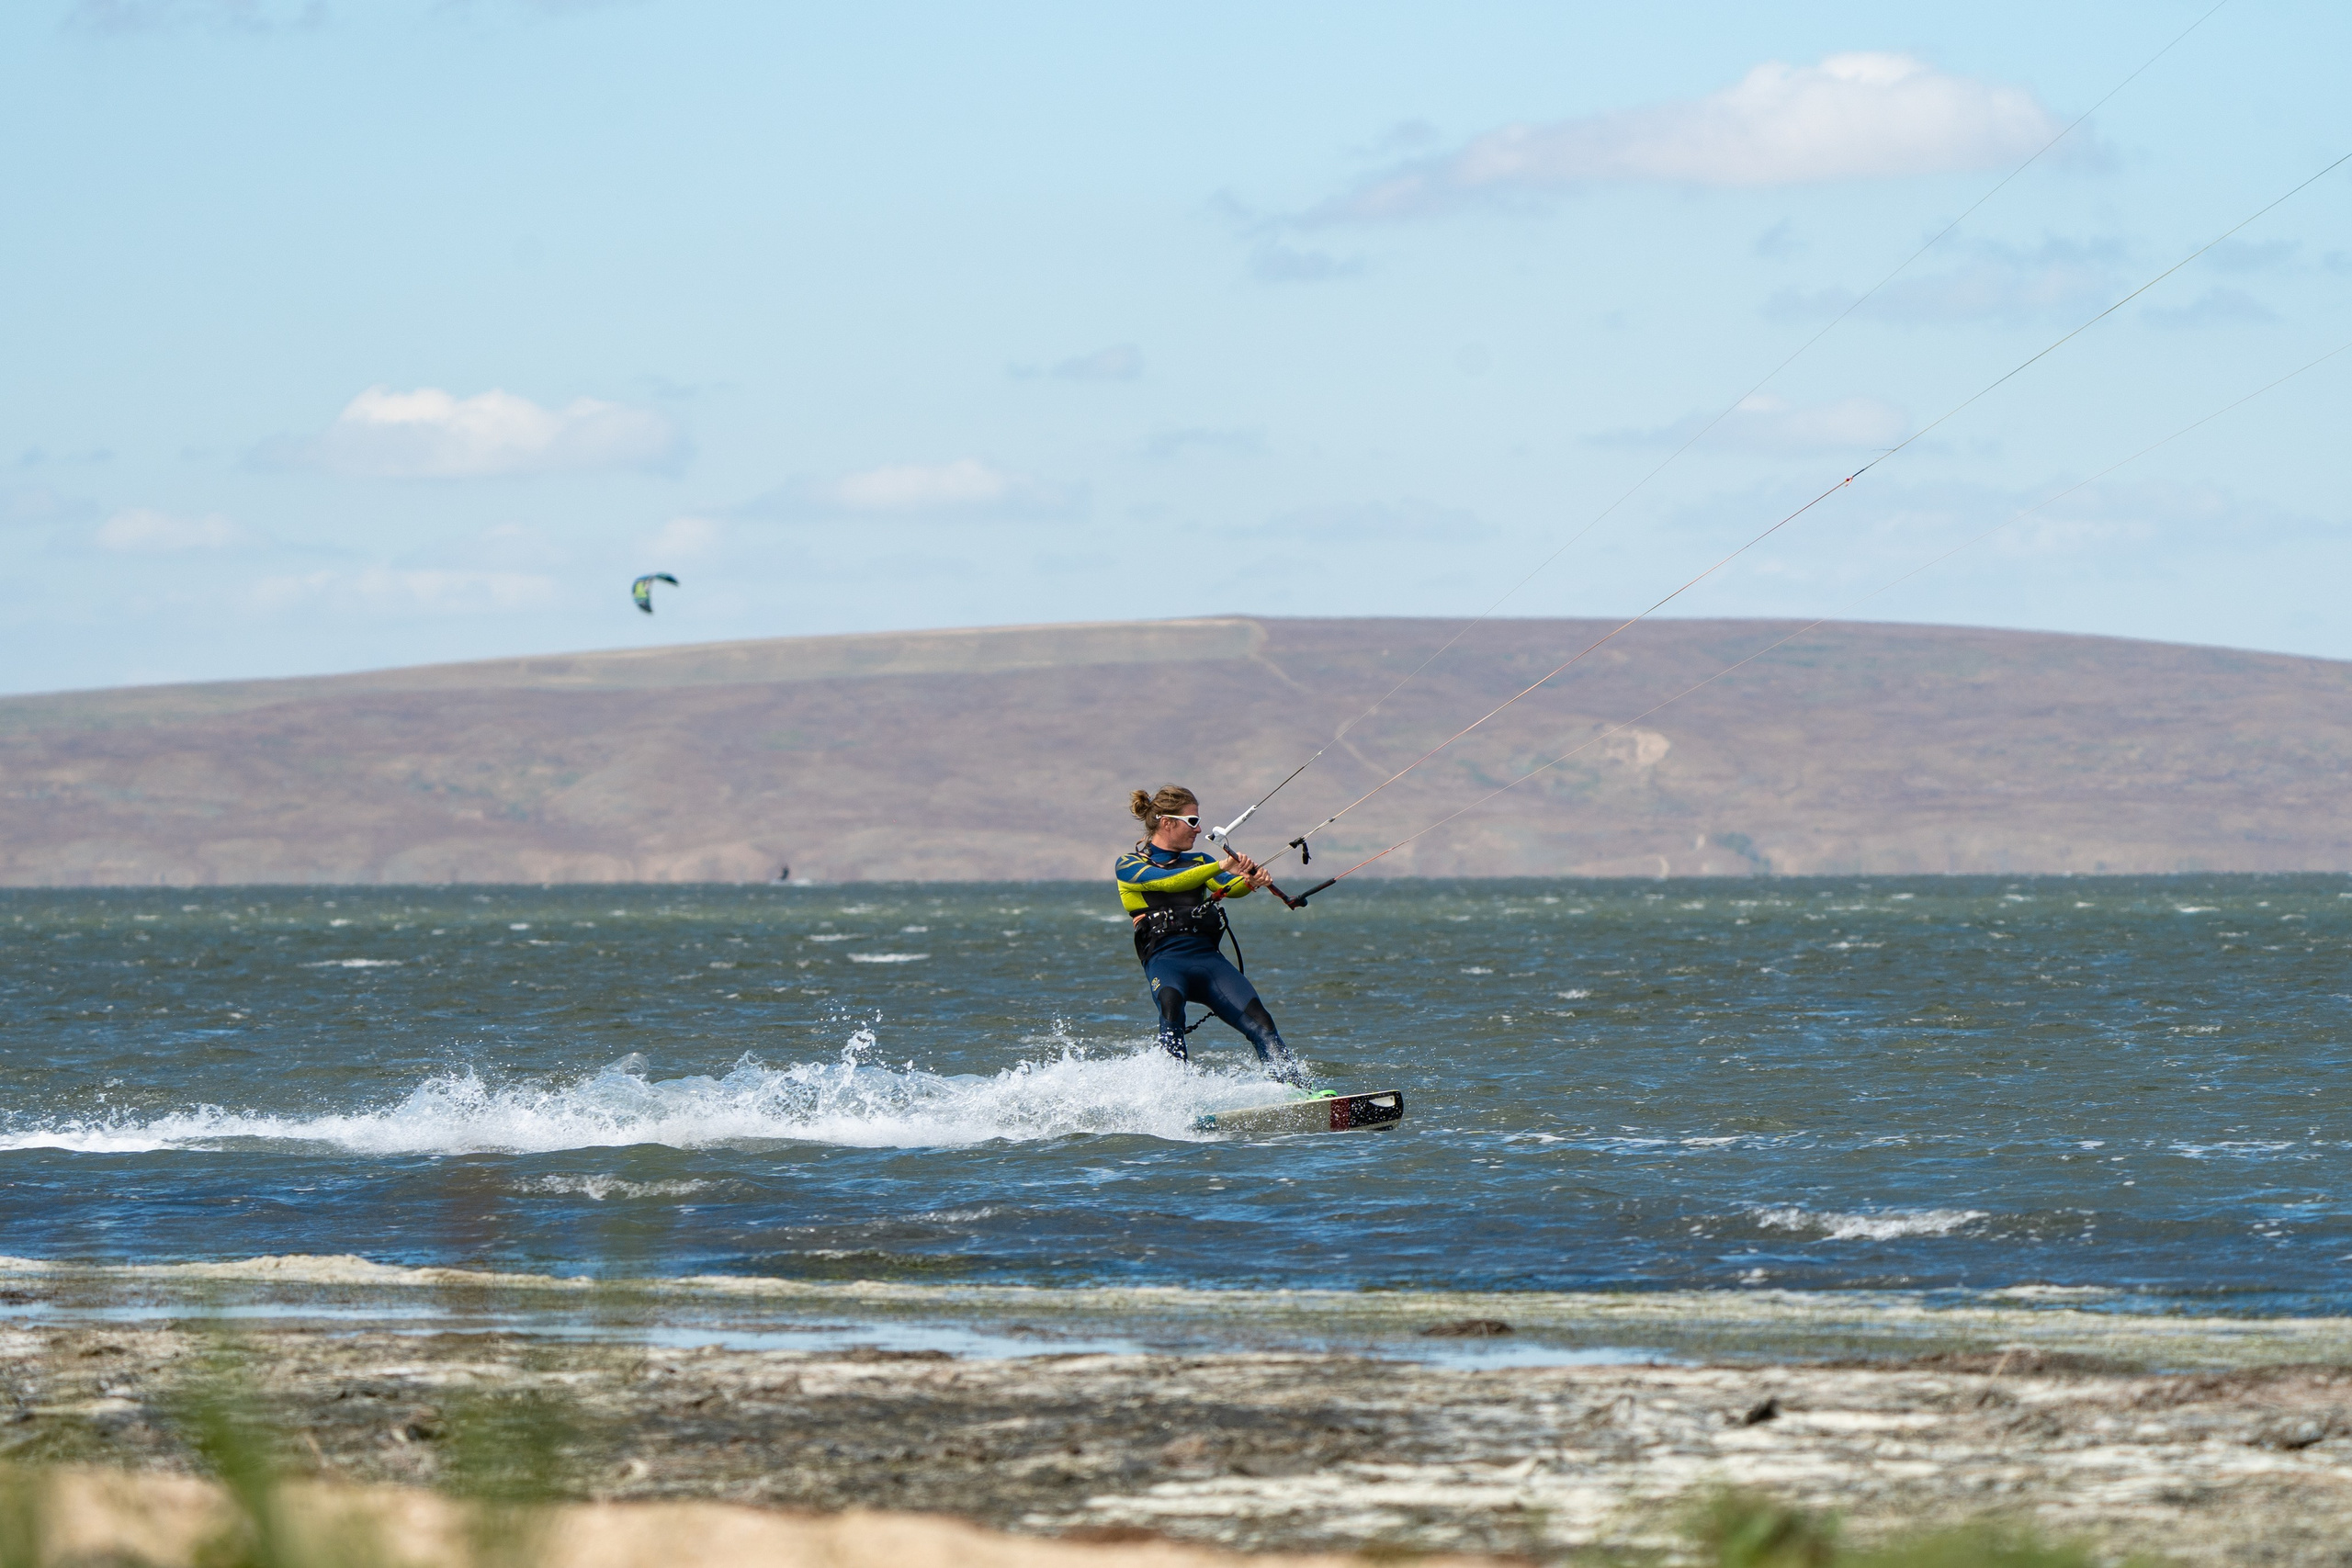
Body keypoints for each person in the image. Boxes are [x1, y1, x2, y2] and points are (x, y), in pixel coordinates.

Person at [1116, 784, 1307, 1086]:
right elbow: (1169, 882)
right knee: (1171, 1011)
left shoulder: (1201, 862)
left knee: (1261, 1022)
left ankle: (1297, 1091)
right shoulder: (1129, 865)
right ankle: (1172, 1095)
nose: (1199, 829)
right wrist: (1222, 865)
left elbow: (1230, 888)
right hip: (1166, 962)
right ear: (1167, 822)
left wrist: (1251, 881)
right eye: (1192, 821)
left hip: (1208, 960)